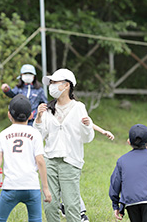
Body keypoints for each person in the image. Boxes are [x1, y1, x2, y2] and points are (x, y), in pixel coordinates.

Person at [34, 68, 95, 222]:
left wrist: (87, 126)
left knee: (71, 205)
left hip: (70, 161)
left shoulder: (79, 108)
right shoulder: (48, 109)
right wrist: (39, 118)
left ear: (67, 85)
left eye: (55, 82)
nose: (52, 86)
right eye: (51, 83)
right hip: (50, 160)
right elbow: (40, 136)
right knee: (50, 204)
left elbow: (87, 138)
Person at [0, 94, 52, 221]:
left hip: (11, 187)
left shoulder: (4, 134)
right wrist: (45, 188)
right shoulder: (35, 133)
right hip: (32, 187)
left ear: (9, 114)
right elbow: (40, 162)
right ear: (31, 115)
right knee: (35, 220)